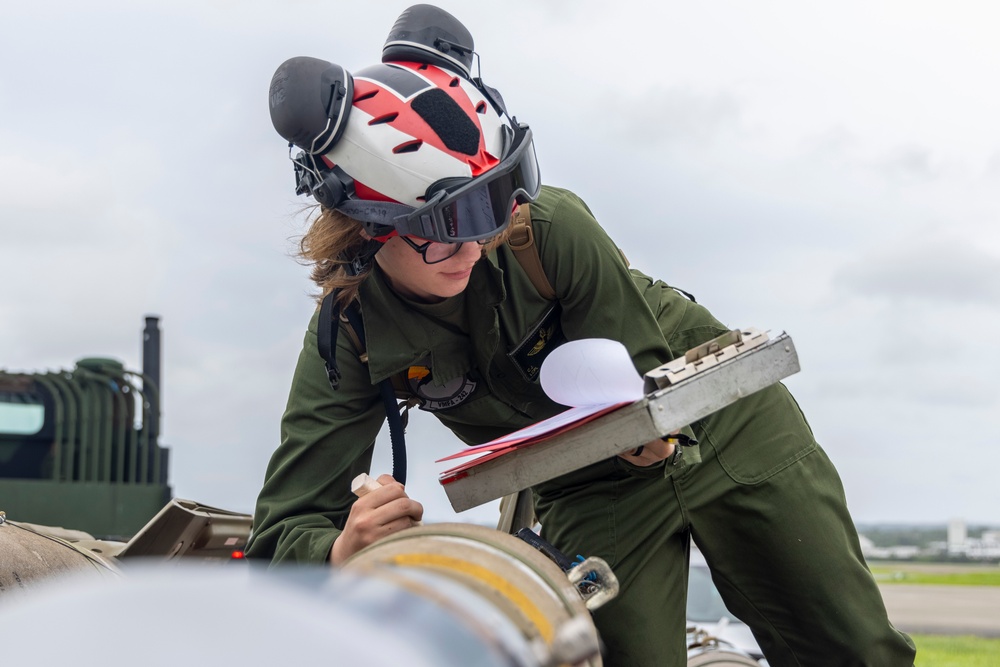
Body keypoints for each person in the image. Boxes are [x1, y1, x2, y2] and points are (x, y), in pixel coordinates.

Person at [247, 5, 916, 665]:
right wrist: (339, 551)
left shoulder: (548, 228)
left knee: (851, 648)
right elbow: (280, 534)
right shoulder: (351, 335)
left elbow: (649, 398)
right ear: (367, 226)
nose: (476, 245)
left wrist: (649, 428)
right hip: (591, 489)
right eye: (443, 227)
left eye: (488, 207)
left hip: (725, 426)